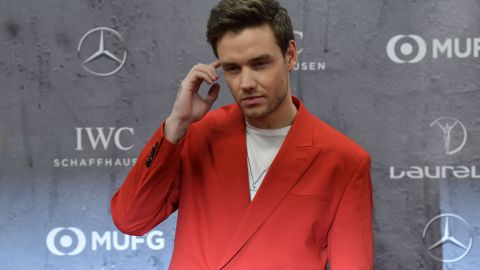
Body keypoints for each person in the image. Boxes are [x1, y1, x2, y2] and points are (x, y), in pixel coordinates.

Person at [110, 0, 373, 269]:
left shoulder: (344, 161)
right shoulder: (197, 137)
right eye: (233, 69)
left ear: (291, 55)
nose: (246, 84)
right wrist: (176, 124)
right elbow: (131, 219)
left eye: (260, 64)